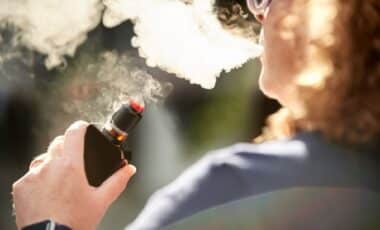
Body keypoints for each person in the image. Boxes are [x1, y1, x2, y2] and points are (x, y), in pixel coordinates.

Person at [12, 0, 380, 229]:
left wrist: (51, 221)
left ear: (328, 16)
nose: (254, 9)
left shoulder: (237, 186)